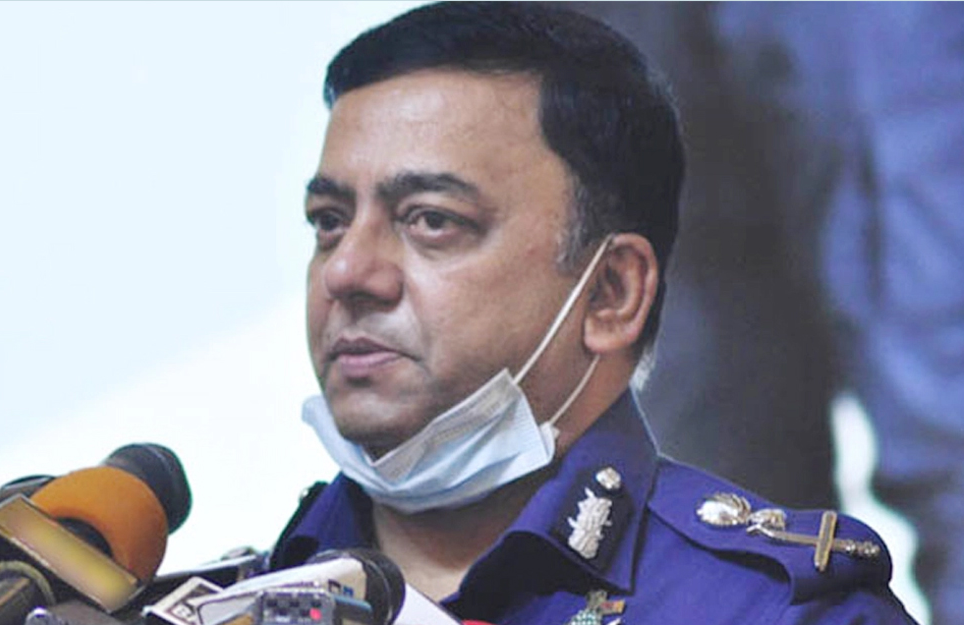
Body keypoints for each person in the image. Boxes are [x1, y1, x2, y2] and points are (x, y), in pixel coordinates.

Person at [266, 3, 916, 623]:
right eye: (329, 222)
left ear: (611, 292)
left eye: (432, 220)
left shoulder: (781, 614)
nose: (347, 272)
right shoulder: (237, 601)